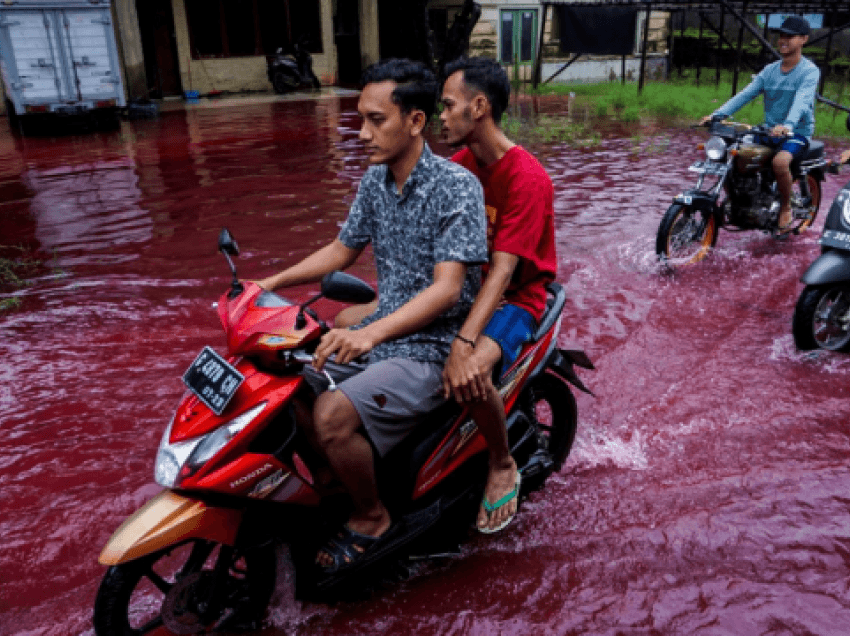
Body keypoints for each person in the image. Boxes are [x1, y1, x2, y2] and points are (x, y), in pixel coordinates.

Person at [257, 58, 487, 570]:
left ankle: (372, 515)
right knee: (288, 387)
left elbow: (448, 290)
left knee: (331, 415)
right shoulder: (374, 182)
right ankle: (342, 481)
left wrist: (370, 332)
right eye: (359, 119)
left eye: (375, 120)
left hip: (433, 346)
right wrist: (269, 283)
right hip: (381, 333)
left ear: (416, 121)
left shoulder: (456, 187)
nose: (361, 134)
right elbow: (342, 251)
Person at [439, 57, 557, 533]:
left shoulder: (527, 178)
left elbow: (506, 272)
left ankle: (502, 460)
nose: (441, 116)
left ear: (479, 107)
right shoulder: (459, 167)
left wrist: (465, 342)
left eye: (448, 106)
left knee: (469, 374)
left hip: (517, 299)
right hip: (470, 288)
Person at [701, 15, 820, 235]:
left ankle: (785, 207)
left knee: (781, 162)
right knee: (733, 154)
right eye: (781, 35)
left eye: (790, 36)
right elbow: (745, 94)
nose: (783, 40)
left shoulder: (809, 71)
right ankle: (739, 201)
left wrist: (788, 124)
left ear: (803, 39)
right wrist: (717, 115)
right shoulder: (770, 70)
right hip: (768, 130)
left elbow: (802, 100)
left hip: (796, 132)